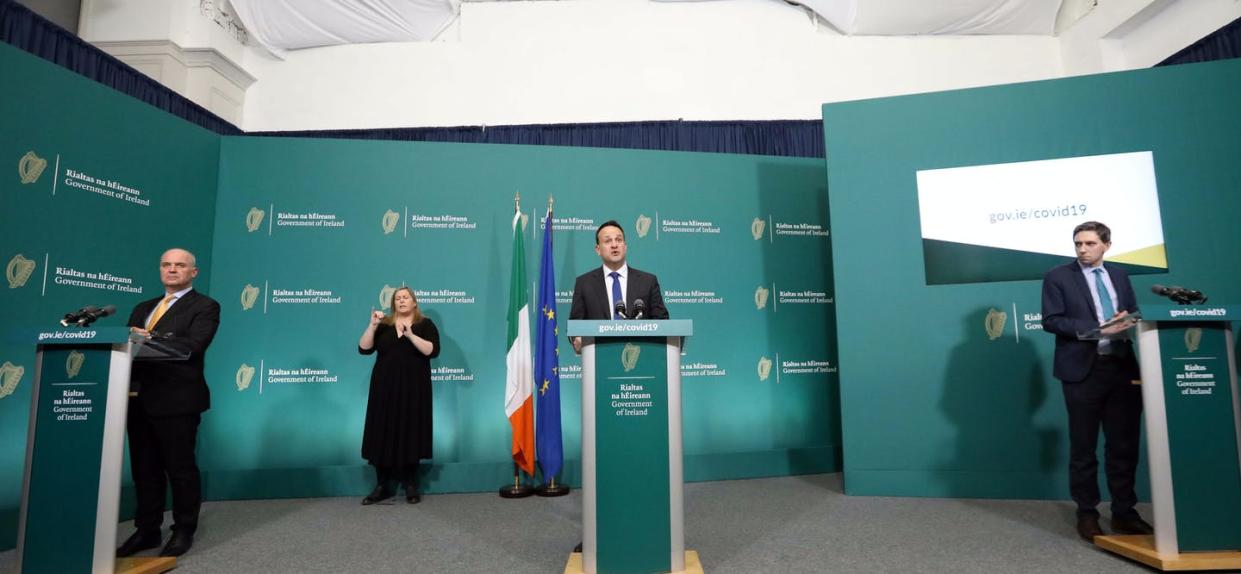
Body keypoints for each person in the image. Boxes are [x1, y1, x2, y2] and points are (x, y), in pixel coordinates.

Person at [1041, 221, 1151, 541]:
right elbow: (1052, 320)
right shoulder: (1057, 277)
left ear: (1107, 245)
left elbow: (1132, 313)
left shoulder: (1119, 275)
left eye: (1090, 243)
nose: (1082, 249)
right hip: (1081, 371)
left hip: (1122, 369)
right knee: (1084, 448)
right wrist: (1098, 330)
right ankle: (1087, 513)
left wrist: (1128, 321)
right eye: (1078, 244)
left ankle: (1124, 512)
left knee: (1124, 445)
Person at [117, 248, 221, 558]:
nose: (172, 270)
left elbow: (193, 345)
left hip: (177, 401)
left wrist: (147, 338)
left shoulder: (205, 306)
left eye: (180, 265)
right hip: (137, 400)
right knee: (144, 470)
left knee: (180, 469)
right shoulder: (142, 307)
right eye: (166, 264)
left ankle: (183, 529)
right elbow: (127, 348)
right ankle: (147, 530)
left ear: (193, 272)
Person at [357, 286, 440, 504]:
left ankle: (410, 484)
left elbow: (432, 351)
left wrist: (411, 335)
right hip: (384, 388)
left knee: (410, 430)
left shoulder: (425, 324)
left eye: (405, 297)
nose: (401, 300)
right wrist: (372, 326)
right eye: (397, 298)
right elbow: (364, 348)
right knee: (381, 431)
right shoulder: (384, 325)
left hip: (414, 389)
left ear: (414, 302)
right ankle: (382, 485)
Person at [569, 220, 669, 353]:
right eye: (608, 241)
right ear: (598, 249)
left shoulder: (648, 281)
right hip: (599, 358)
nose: (614, 245)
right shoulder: (584, 283)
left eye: (618, 240)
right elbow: (575, 325)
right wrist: (576, 339)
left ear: (625, 246)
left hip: (641, 356)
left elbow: (663, 322)